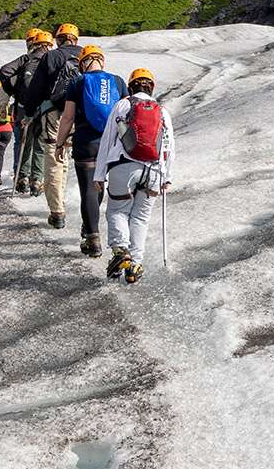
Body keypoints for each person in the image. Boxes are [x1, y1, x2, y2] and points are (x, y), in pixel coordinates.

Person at [92, 66, 175, 285]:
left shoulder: (123, 104)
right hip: (155, 172)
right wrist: (167, 176)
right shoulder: (162, 111)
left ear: (131, 86)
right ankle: (135, 265)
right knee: (141, 218)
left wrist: (99, 173)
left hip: (124, 166)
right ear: (151, 86)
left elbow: (109, 138)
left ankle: (121, 252)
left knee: (118, 211)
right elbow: (169, 146)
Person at [52, 45, 122, 256]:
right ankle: (116, 239)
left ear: (82, 63)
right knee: (102, 186)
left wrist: (59, 142)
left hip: (86, 142)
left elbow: (68, 117)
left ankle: (93, 239)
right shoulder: (117, 81)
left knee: (89, 190)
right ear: (102, 61)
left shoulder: (77, 82)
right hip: (112, 144)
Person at [27, 23, 83, 229]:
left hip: (54, 113)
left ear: (58, 40)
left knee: (53, 156)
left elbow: (36, 88)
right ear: (75, 39)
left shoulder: (51, 56)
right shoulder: (85, 55)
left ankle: (57, 210)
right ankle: (64, 200)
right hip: (78, 113)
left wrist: (30, 110)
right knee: (66, 155)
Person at [0, 28, 52, 195]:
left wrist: (14, 91)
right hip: (44, 109)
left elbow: (5, 71)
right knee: (40, 145)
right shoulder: (52, 59)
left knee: (23, 143)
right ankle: (37, 180)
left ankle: (22, 178)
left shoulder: (25, 60)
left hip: (22, 107)